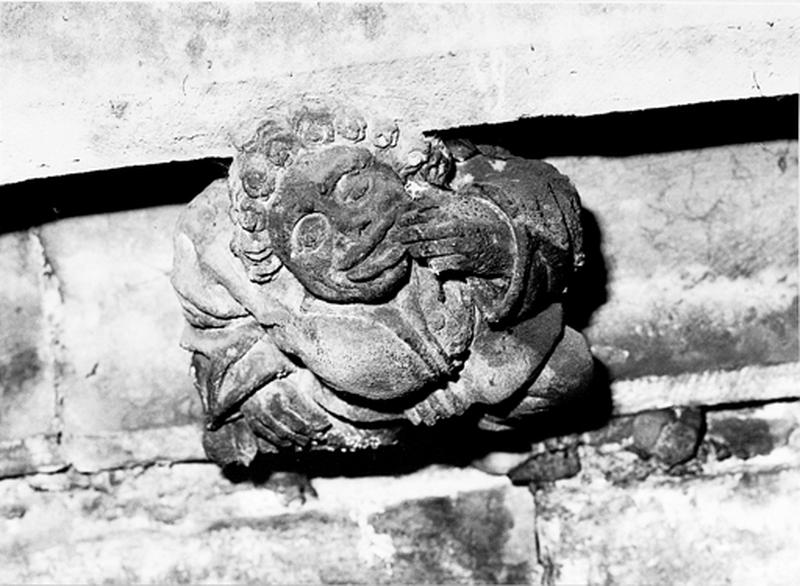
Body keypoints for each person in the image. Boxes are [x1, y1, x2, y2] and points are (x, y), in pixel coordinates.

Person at [171, 101, 593, 467]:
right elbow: (217, 336)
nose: (353, 230)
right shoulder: (221, 249)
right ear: (277, 260)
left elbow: (543, 196)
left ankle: (475, 441)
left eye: (356, 191)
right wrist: (262, 396)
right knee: (238, 440)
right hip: (345, 409)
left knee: (567, 371)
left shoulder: (453, 185)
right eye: (311, 234)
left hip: (489, 369)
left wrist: (494, 238)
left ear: (402, 171)